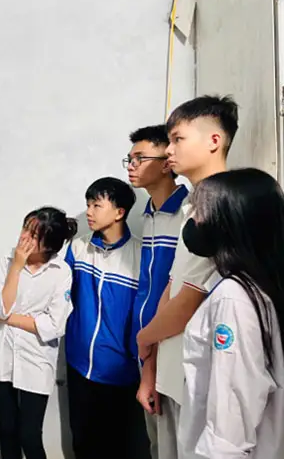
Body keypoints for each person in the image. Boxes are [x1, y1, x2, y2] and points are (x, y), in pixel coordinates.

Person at [135, 95, 239, 459]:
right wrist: (151, 364)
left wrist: (144, 337)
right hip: (171, 372)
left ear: (214, 141)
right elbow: (173, 283)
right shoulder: (192, 205)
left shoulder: (222, 206)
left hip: (200, 381)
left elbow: (188, 301)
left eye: (178, 139)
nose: (169, 150)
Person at [178, 168, 284, 459]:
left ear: (228, 221)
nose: (192, 220)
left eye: (199, 211)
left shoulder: (234, 297)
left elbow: (231, 417)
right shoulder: (258, 285)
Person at [0, 207, 76, 459]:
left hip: (37, 360)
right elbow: (1, 308)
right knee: (7, 430)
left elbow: (55, 325)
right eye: (26, 228)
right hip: (1, 358)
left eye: (35, 235)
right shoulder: (5, 261)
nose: (24, 237)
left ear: (50, 245)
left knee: (29, 434)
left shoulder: (61, 272)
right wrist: (16, 267)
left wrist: (8, 319)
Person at [64, 177, 146, 459]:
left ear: (119, 212)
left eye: (96, 205)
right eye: (88, 205)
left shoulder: (140, 256)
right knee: (84, 444)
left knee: (122, 447)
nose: (88, 212)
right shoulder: (78, 248)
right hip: (79, 366)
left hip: (121, 372)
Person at [125, 124, 189, 458]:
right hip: (146, 341)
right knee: (157, 443)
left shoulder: (187, 213)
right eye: (129, 159)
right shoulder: (148, 214)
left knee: (177, 443)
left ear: (166, 162)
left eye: (140, 158)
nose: (131, 166)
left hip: (172, 343)